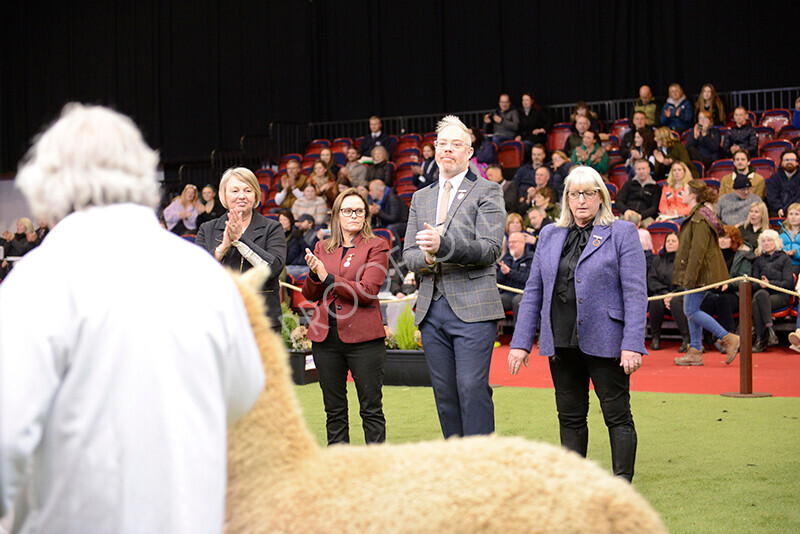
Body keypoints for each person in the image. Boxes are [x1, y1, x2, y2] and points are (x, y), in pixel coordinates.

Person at [0, 103, 264, 533]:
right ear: (142, 173)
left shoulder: (36, 282)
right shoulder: (204, 276)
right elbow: (243, 394)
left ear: (48, 183)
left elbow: (5, 436)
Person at [508, 166, 646, 482]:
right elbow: (533, 291)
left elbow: (636, 293)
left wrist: (632, 344)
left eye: (588, 193)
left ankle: (621, 483)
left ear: (601, 196)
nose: (580, 200)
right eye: (574, 193)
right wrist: (520, 343)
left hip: (608, 340)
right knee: (570, 417)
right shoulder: (549, 234)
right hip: (561, 340)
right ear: (566, 198)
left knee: (617, 416)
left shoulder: (622, 232)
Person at [403, 115, 506, 438]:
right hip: (432, 311)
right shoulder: (421, 197)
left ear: (469, 152)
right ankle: (456, 462)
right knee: (445, 396)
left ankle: (480, 466)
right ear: (435, 150)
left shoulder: (488, 190)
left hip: (474, 309)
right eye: (442, 144)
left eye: (456, 145)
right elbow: (409, 254)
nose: (448, 150)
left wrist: (443, 246)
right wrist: (429, 257)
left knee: (471, 389)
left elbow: (489, 249)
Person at [301, 188, 390, 445]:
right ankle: (340, 467)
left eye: (359, 211)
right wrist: (314, 273)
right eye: (347, 210)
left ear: (365, 216)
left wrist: (327, 277)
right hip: (325, 340)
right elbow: (310, 293)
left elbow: (367, 292)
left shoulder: (376, 246)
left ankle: (376, 467)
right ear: (337, 215)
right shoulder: (322, 247)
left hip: (364, 340)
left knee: (370, 409)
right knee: (334, 410)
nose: (353, 215)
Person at [196, 166, 287, 330]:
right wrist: (223, 247)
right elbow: (198, 273)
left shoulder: (272, 228)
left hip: (262, 321)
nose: (242, 196)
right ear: (224, 194)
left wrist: (240, 240)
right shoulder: (207, 229)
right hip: (219, 321)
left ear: (256, 195)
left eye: (248, 190)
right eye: (235, 190)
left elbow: (273, 268)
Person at [672, 180, 740, 366]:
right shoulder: (700, 214)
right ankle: (695, 350)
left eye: (684, 190)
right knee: (691, 310)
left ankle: (727, 338)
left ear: (693, 195)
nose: (681, 193)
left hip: (700, 273)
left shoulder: (699, 217)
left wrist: (690, 278)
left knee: (690, 310)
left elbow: (697, 251)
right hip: (699, 272)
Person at [700, 226, 752, 350]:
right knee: (705, 301)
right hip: (714, 291)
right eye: (720, 238)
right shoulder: (712, 256)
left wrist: (728, 284)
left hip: (735, 294)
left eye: (726, 238)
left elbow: (744, 278)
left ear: (734, 240)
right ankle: (704, 338)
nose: (722, 240)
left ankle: (728, 337)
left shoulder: (742, 256)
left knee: (722, 301)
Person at [749, 230, 794, 352]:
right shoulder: (759, 260)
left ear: (776, 242)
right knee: (760, 295)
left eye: (769, 240)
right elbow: (753, 284)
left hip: (780, 295)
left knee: (757, 300)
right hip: (763, 294)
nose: (766, 243)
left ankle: (760, 338)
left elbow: (788, 283)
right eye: (763, 241)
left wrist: (769, 284)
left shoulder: (784, 259)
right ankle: (769, 329)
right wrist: (761, 284)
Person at [647, 232, 690, 351]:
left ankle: (686, 338)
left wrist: (673, 294)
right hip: (662, 294)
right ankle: (655, 338)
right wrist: (665, 293)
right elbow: (651, 279)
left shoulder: (685, 260)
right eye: (668, 241)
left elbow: (687, 281)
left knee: (676, 301)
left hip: (681, 295)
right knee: (655, 301)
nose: (670, 243)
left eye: (673, 241)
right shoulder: (657, 260)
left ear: (680, 244)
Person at [496, 231, 532, 326]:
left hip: (523, 293)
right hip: (508, 294)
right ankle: (494, 338)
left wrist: (510, 272)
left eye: (514, 242)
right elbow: (498, 281)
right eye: (510, 242)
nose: (511, 245)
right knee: (496, 300)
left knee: (517, 301)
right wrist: (502, 273)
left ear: (522, 243)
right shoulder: (506, 258)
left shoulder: (531, 258)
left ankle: (518, 337)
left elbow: (528, 278)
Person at [616, 158, 662, 228]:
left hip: (645, 217)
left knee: (650, 226)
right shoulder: (628, 184)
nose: (641, 171)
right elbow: (619, 202)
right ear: (635, 171)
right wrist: (626, 211)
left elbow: (654, 208)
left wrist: (641, 215)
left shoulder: (655, 187)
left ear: (649, 169)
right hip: (628, 214)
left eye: (643, 169)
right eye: (639, 169)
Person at [765, 149, 800, 217]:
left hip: (797, 210)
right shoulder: (774, 178)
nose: (789, 162)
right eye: (786, 160)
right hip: (777, 211)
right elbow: (772, 196)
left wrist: (787, 209)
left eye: (792, 160)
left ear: (797, 162)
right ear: (781, 163)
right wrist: (779, 208)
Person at [779, 203, 800, 276]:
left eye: (797, 214)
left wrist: (795, 253)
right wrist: (784, 252)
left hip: (797, 264)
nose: (793, 217)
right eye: (791, 214)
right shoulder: (781, 232)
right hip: (783, 263)